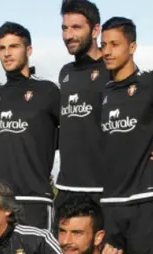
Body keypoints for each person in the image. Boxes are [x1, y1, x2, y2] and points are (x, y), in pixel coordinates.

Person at [97, 17, 153, 254]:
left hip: (147, 201)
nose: (107, 51)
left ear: (132, 46)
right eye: (103, 44)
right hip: (110, 203)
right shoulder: (103, 91)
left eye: (114, 44)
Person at [0, 22, 60, 230]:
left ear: (29, 50)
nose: (7, 54)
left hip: (34, 200)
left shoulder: (48, 91)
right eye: (2, 48)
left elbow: (74, 133)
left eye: (13, 47)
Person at [54, 0, 107, 208]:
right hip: (66, 189)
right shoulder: (65, 72)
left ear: (95, 30)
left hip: (102, 189)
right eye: (65, 28)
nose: (68, 35)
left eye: (76, 27)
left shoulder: (113, 69)